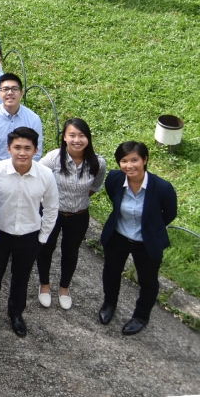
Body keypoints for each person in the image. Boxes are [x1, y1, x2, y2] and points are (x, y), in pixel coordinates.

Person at [0, 127, 58, 338]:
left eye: (27, 148)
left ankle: (16, 313)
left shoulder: (45, 175)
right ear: (8, 149)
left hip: (29, 235)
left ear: (36, 150)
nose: (22, 153)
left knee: (21, 278)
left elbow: (51, 208)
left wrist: (42, 238)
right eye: (17, 147)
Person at [99, 141, 177, 335]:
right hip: (118, 235)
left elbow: (169, 213)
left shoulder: (162, 188)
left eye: (134, 160)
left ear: (145, 160)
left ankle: (141, 316)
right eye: (124, 161)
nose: (129, 165)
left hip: (146, 240)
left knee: (148, 281)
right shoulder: (115, 179)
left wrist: (150, 227)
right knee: (111, 272)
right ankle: (109, 305)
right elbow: (113, 198)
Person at [37, 118, 107, 310]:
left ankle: (64, 288)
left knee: (70, 252)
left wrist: (77, 199)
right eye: (72, 135)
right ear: (65, 138)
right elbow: (37, 178)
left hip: (79, 215)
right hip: (53, 213)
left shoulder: (98, 162)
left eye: (82, 135)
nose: (77, 140)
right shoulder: (53, 158)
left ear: (88, 138)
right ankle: (44, 285)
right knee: (46, 248)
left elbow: (95, 186)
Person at [0, 73, 43, 168]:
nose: (10, 93)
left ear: (21, 93)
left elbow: (37, 150)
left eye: (15, 89)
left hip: (22, 171)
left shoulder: (33, 119)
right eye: (5, 89)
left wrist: (23, 170)